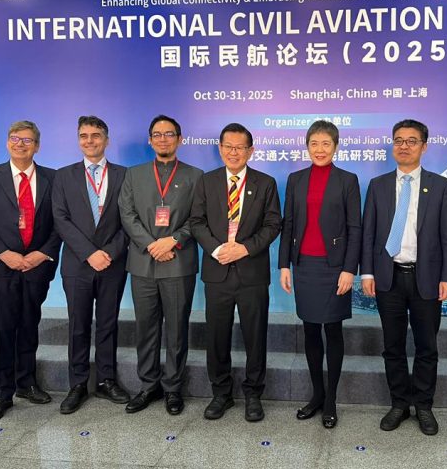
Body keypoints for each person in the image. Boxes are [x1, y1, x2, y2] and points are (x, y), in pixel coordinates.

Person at [361, 119, 447, 436]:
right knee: (393, 346)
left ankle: (424, 406)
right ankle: (399, 404)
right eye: (399, 140)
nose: (404, 146)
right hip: (388, 277)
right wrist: (367, 272)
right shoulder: (378, 185)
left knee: (427, 347)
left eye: (411, 141)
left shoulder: (440, 186)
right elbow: (369, 233)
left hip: (425, 278)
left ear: (424, 147)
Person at [0, 120, 61, 424]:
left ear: (37, 146)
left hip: (36, 266)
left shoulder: (53, 178)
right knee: (1, 329)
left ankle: (27, 382)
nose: (20, 144)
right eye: (15, 138)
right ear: (7, 142)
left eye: (27, 140)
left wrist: (42, 253)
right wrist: (5, 254)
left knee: (29, 324)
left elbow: (59, 222)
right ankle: (1, 394)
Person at [190, 123, 281, 422]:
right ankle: (221, 394)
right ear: (220, 149)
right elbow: (197, 222)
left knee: (255, 336)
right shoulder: (207, 181)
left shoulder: (265, 183)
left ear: (250, 151)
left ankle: (253, 394)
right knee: (217, 336)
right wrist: (217, 250)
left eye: (240, 147)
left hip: (251, 272)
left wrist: (244, 249)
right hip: (217, 271)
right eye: (228, 146)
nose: (233, 152)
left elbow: (273, 224)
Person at [118, 115, 203, 415]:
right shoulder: (134, 174)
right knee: (146, 328)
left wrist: (173, 241)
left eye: (169, 134)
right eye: (157, 134)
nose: (163, 139)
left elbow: (199, 218)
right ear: (150, 140)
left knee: (177, 330)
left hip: (178, 262)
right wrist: (151, 244)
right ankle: (148, 385)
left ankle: (173, 388)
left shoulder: (196, 176)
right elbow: (127, 214)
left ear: (180, 139)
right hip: (143, 263)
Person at [278, 120, 361, 428]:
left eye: (326, 143)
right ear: (307, 146)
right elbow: (288, 224)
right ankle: (316, 395)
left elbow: (355, 228)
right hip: (304, 267)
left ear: (335, 146)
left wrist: (349, 269)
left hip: (334, 267)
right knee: (310, 330)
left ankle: (331, 401)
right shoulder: (296, 179)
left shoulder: (347, 180)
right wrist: (284, 264)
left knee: (333, 331)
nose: (320, 149)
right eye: (314, 143)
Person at [52, 115, 130, 414]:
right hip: (77, 264)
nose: (90, 141)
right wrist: (89, 253)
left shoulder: (124, 175)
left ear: (106, 140)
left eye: (95, 135)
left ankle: (107, 380)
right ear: (78, 140)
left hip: (112, 262)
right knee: (78, 324)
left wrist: (108, 252)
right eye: (84, 136)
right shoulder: (63, 176)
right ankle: (78, 384)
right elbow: (60, 219)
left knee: (108, 323)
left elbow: (130, 220)